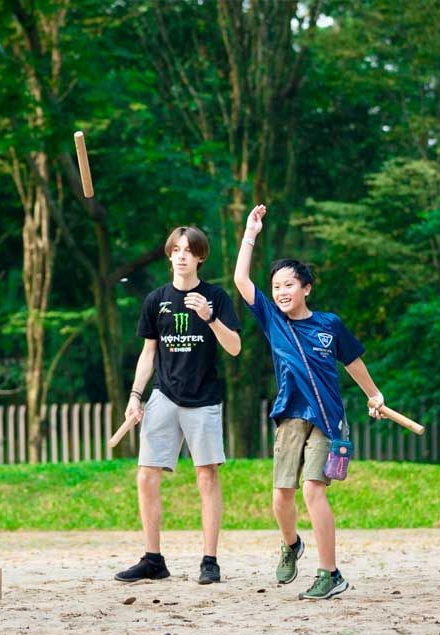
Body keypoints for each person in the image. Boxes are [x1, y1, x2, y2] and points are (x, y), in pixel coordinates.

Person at [233, 204, 386, 600]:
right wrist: (251, 233)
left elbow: (353, 361)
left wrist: (373, 395)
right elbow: (240, 278)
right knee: (281, 496)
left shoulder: (329, 324)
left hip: (327, 419)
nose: (282, 291)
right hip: (289, 417)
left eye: (289, 284)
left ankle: (330, 573)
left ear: (306, 288)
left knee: (312, 490)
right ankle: (291, 545)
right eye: (277, 286)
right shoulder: (272, 320)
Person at [114, 226, 241, 586]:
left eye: (189, 250)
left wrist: (210, 318)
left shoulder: (216, 297)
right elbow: (148, 353)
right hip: (163, 397)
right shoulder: (156, 300)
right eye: (176, 249)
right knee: (146, 475)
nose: (182, 255)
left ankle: (210, 561)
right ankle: (153, 559)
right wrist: (135, 396)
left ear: (201, 257)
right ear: (169, 255)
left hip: (203, 400)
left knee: (207, 476)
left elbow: (235, 348)